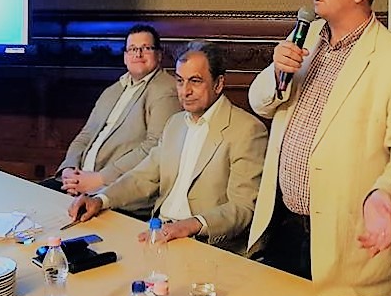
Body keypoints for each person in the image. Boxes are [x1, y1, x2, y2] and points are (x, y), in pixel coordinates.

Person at [247, 0, 391, 296]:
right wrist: (276, 70)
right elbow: (261, 104)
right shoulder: (305, 36)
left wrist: (386, 195)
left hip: (346, 240)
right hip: (283, 226)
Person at [67, 41, 268, 254]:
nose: (185, 91)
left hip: (207, 244)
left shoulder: (247, 129)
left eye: (195, 81)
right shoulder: (175, 123)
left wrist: (190, 225)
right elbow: (143, 176)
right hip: (158, 232)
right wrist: (100, 199)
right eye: (180, 81)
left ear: (218, 84)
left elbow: (243, 207)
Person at [47, 24, 181, 216]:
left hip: (114, 193)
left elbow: (154, 147)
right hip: (78, 184)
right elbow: (86, 134)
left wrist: (100, 179)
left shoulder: (166, 90)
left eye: (146, 48)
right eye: (132, 49)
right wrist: (69, 169)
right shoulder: (114, 90)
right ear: (125, 56)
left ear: (159, 55)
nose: (138, 54)